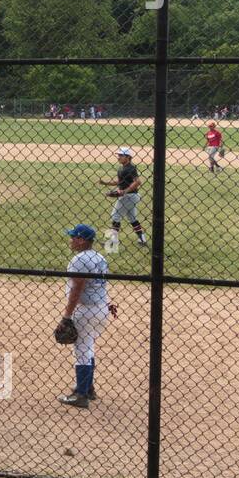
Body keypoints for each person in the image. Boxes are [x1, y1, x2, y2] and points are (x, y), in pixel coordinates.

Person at [57, 224, 116, 409]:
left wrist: (67, 316)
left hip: (86, 310)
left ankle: (81, 395)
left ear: (81, 240)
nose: (71, 240)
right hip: (100, 309)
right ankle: (88, 388)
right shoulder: (99, 257)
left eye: (74, 237)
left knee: (81, 351)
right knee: (88, 347)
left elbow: (77, 289)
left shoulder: (79, 260)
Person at [100, 147, 146, 249]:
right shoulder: (122, 168)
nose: (119, 157)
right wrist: (106, 183)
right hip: (130, 196)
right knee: (132, 218)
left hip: (129, 196)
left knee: (115, 215)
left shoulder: (130, 168)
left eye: (121, 155)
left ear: (128, 157)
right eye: (118, 155)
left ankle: (112, 242)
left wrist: (125, 191)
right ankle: (142, 239)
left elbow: (138, 182)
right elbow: (120, 182)